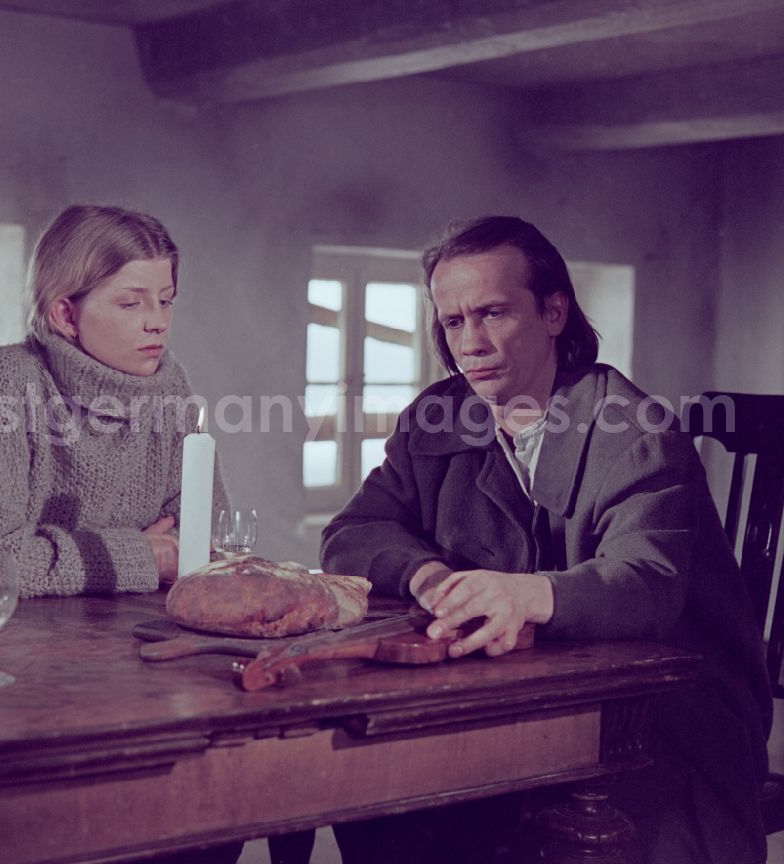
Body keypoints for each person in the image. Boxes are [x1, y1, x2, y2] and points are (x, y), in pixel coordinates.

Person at [320, 216, 771, 864]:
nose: (469, 343)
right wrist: (427, 576)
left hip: (668, 714)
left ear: (554, 311)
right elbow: (353, 532)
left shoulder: (634, 430)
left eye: (493, 314)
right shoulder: (437, 415)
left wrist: (527, 596)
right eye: (453, 322)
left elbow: (646, 584)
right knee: (377, 792)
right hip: (516, 696)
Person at [0, 204, 228, 599]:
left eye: (166, 300)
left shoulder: (170, 389)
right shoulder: (7, 383)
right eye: (130, 303)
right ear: (66, 316)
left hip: (124, 634)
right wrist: (142, 555)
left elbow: (208, 546)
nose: (158, 321)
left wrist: (51, 556)